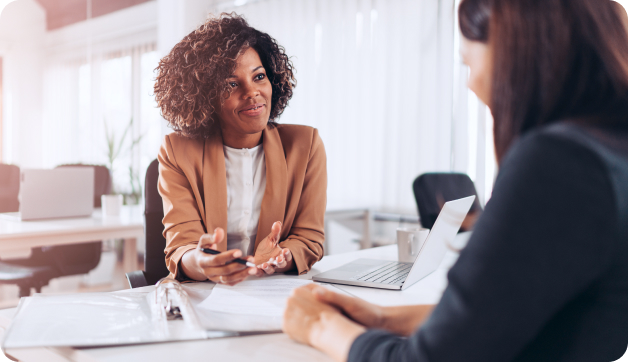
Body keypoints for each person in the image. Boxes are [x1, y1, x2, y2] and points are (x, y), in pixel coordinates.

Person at [282, 0, 628, 361]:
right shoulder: (610, 152)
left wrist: (320, 326)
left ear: (519, 52)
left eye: (468, 62)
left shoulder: (557, 163)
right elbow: (505, 316)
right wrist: (382, 317)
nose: (472, 83)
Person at [154, 14, 326, 285]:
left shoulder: (305, 145)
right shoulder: (177, 151)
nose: (252, 92)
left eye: (259, 76)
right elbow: (181, 246)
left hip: (275, 293)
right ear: (205, 96)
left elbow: (309, 237)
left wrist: (282, 257)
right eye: (232, 84)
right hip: (204, 294)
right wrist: (204, 263)